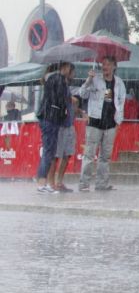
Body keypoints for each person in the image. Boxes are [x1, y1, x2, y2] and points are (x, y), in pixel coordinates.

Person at [76, 56, 126, 192]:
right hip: (94, 121)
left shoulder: (119, 83)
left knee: (105, 156)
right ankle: (84, 184)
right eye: (103, 64)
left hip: (110, 123)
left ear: (114, 66)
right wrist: (88, 80)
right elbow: (82, 94)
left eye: (108, 64)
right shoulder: (95, 79)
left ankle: (102, 183)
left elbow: (121, 101)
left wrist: (118, 120)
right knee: (89, 154)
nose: (105, 67)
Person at [36, 62, 72, 194]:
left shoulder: (49, 78)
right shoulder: (59, 79)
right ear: (64, 67)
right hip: (52, 118)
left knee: (49, 151)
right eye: (69, 68)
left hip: (47, 117)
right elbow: (61, 100)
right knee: (48, 151)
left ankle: (42, 182)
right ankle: (41, 183)